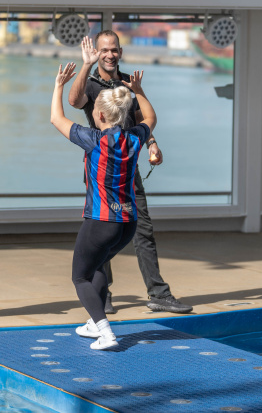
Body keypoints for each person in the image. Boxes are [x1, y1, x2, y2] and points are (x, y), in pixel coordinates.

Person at [68, 31, 192, 315]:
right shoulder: (90, 83)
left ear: (120, 52)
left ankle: (158, 293)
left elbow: (142, 120)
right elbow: (74, 102)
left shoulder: (128, 83)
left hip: (127, 165)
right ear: (97, 52)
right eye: (104, 50)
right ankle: (104, 292)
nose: (110, 55)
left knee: (143, 229)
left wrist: (152, 144)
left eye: (114, 50)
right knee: (101, 231)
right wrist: (85, 64)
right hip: (100, 169)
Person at [51, 61, 156, 350]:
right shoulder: (134, 138)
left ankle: (105, 331)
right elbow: (150, 117)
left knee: (80, 276)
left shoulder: (94, 140)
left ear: (98, 114)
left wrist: (59, 85)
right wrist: (139, 90)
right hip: (128, 223)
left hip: (101, 221)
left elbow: (56, 119)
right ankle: (93, 321)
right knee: (97, 265)